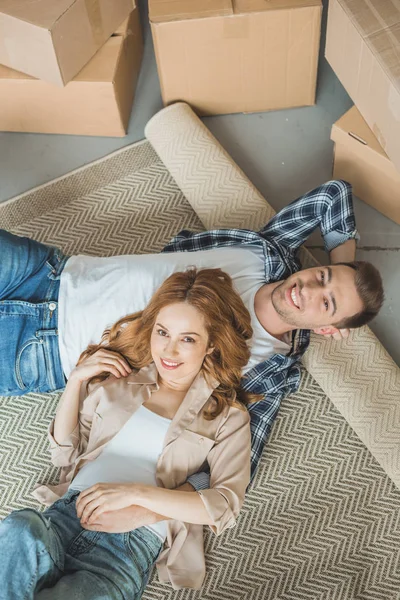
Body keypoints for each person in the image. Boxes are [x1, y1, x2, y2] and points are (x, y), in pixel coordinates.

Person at [0, 179, 384, 491]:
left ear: (327, 329)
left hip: (43, 353)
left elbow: (232, 470)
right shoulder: (273, 252)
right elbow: (333, 194)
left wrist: (152, 500)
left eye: (328, 304)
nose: (309, 290)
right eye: (322, 278)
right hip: (52, 272)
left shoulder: (267, 372)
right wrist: (343, 265)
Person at [0, 268, 259, 597]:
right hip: (66, 515)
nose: (169, 350)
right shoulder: (120, 380)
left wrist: (139, 499)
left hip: (128, 547)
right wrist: (77, 381)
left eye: (188, 339)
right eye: (163, 332)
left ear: (210, 345)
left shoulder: (227, 416)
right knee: (19, 529)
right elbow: (64, 452)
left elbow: (223, 504)